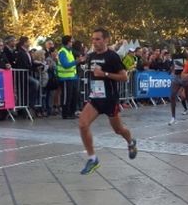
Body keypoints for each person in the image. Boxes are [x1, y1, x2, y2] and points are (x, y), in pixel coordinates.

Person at [78, 28, 138, 175]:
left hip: (110, 99)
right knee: (82, 124)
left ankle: (131, 142)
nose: (95, 42)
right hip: (95, 98)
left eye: (98, 39)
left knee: (118, 130)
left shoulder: (112, 57)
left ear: (106, 40)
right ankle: (93, 159)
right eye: (93, 39)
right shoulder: (90, 56)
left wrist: (104, 74)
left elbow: (124, 77)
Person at [57, 35, 85, 119]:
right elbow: (65, 65)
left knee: (74, 95)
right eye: (71, 41)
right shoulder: (62, 52)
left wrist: (78, 61)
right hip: (65, 78)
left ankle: (72, 112)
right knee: (66, 96)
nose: (72, 43)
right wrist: (77, 61)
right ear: (68, 42)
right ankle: (65, 113)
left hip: (72, 77)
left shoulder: (69, 51)